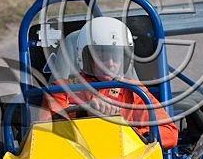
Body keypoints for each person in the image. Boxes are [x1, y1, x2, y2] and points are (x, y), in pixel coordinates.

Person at [40, 17, 178, 150]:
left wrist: (128, 134)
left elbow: (169, 132)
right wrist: (84, 113)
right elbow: (44, 135)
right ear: (86, 57)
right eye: (103, 56)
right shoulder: (62, 90)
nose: (111, 64)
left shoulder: (134, 92)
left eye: (116, 57)